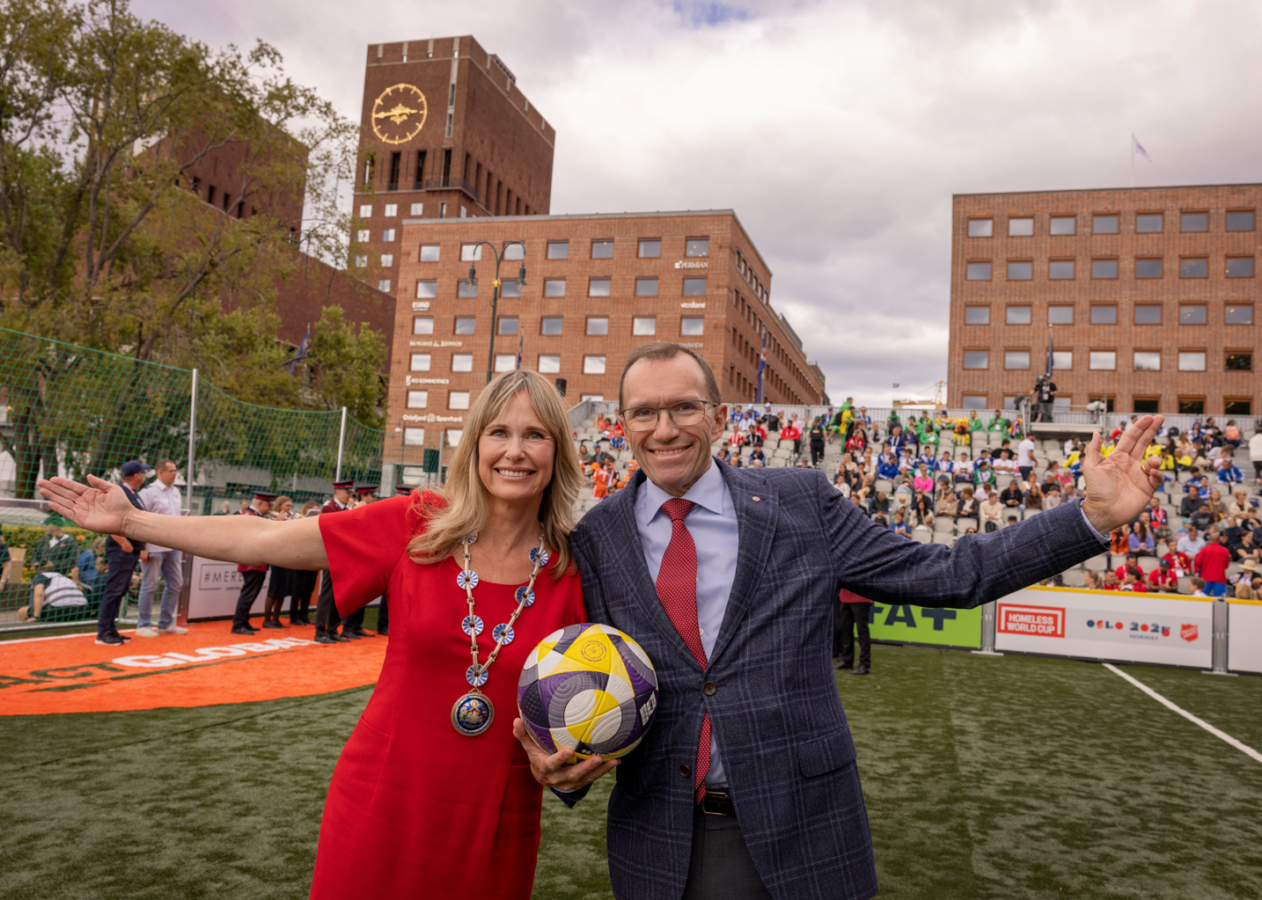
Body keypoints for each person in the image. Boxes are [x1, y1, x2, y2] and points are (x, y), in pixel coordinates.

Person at [514, 341, 1163, 900]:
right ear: (621, 426)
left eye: (683, 407)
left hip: (807, 833)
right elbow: (577, 670)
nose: (665, 428)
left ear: (717, 416)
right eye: (644, 413)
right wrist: (560, 764)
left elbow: (946, 574)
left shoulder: (802, 502)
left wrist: (1092, 519)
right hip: (659, 842)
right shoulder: (594, 539)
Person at [39, 369, 587, 900]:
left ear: (557, 452)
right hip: (380, 804)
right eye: (499, 432)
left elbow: (591, 713)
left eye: (534, 435)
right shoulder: (417, 525)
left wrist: (571, 773)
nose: (514, 451)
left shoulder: (576, 570)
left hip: (495, 824)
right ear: (475, 444)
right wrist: (132, 521)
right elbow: (259, 539)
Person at [97, 461, 149, 646]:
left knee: (120, 590)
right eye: (143, 472)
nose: (144, 476)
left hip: (130, 548)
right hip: (121, 548)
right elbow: (110, 520)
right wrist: (125, 544)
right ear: (136, 475)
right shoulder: (120, 493)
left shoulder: (133, 494)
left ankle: (110, 629)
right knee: (114, 590)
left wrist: (140, 546)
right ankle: (103, 632)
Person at [135, 459, 189, 638]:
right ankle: (143, 624)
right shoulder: (148, 493)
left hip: (173, 546)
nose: (175, 474)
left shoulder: (176, 492)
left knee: (176, 583)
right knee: (149, 586)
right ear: (160, 473)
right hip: (153, 547)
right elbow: (140, 520)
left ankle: (166, 624)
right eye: (171, 471)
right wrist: (143, 547)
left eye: (175, 471)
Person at [231, 490, 276, 635]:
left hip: (255, 562)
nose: (270, 509)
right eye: (269, 505)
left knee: (250, 593)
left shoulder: (252, 515)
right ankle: (238, 624)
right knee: (248, 593)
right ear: (261, 503)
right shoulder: (250, 517)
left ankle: (243, 621)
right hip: (252, 562)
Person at [315, 480, 354, 643]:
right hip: (331, 556)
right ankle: (320, 631)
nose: (350, 497)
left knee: (339, 595)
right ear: (338, 492)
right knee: (327, 594)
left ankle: (332, 629)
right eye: (347, 493)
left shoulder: (344, 508)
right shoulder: (328, 507)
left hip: (343, 556)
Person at [340, 485, 381, 639]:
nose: (375, 499)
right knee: (354, 594)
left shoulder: (369, 510)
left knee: (363, 594)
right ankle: (348, 627)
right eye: (372, 496)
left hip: (366, 557)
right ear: (363, 496)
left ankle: (356, 626)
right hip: (354, 558)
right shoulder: (356, 510)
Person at [262, 496, 299, 630]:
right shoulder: (272, 518)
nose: (289, 508)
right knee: (274, 589)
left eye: (290, 506)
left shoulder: (291, 518)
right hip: (276, 557)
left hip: (288, 557)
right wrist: (280, 522)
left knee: (283, 590)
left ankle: (276, 619)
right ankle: (267, 620)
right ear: (280, 506)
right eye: (287, 506)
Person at [834, 589, 873, 675]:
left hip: (861, 597)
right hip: (844, 597)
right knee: (845, 630)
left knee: (862, 631)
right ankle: (847, 661)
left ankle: (864, 664)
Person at [1194, 533, 1231, 597]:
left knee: (1203, 599)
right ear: (1219, 541)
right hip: (1220, 578)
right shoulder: (1225, 551)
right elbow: (1226, 565)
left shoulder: (1204, 550)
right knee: (1219, 601)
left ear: (1210, 540)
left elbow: (1198, 562)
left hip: (1205, 578)